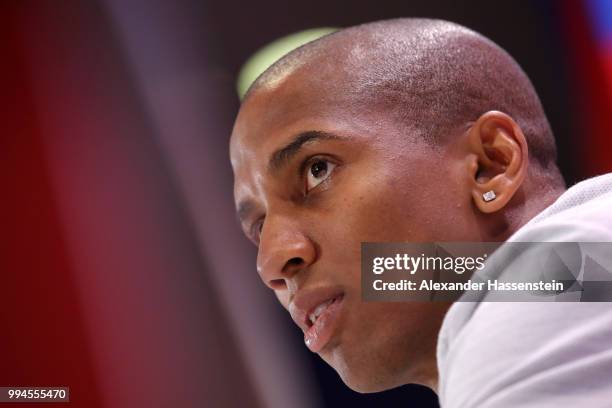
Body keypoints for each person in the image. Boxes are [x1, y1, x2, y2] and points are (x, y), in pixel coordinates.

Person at [229, 18, 612, 406]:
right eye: (259, 227)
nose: (272, 262)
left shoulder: (545, 297)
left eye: (317, 171)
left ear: (490, 164)